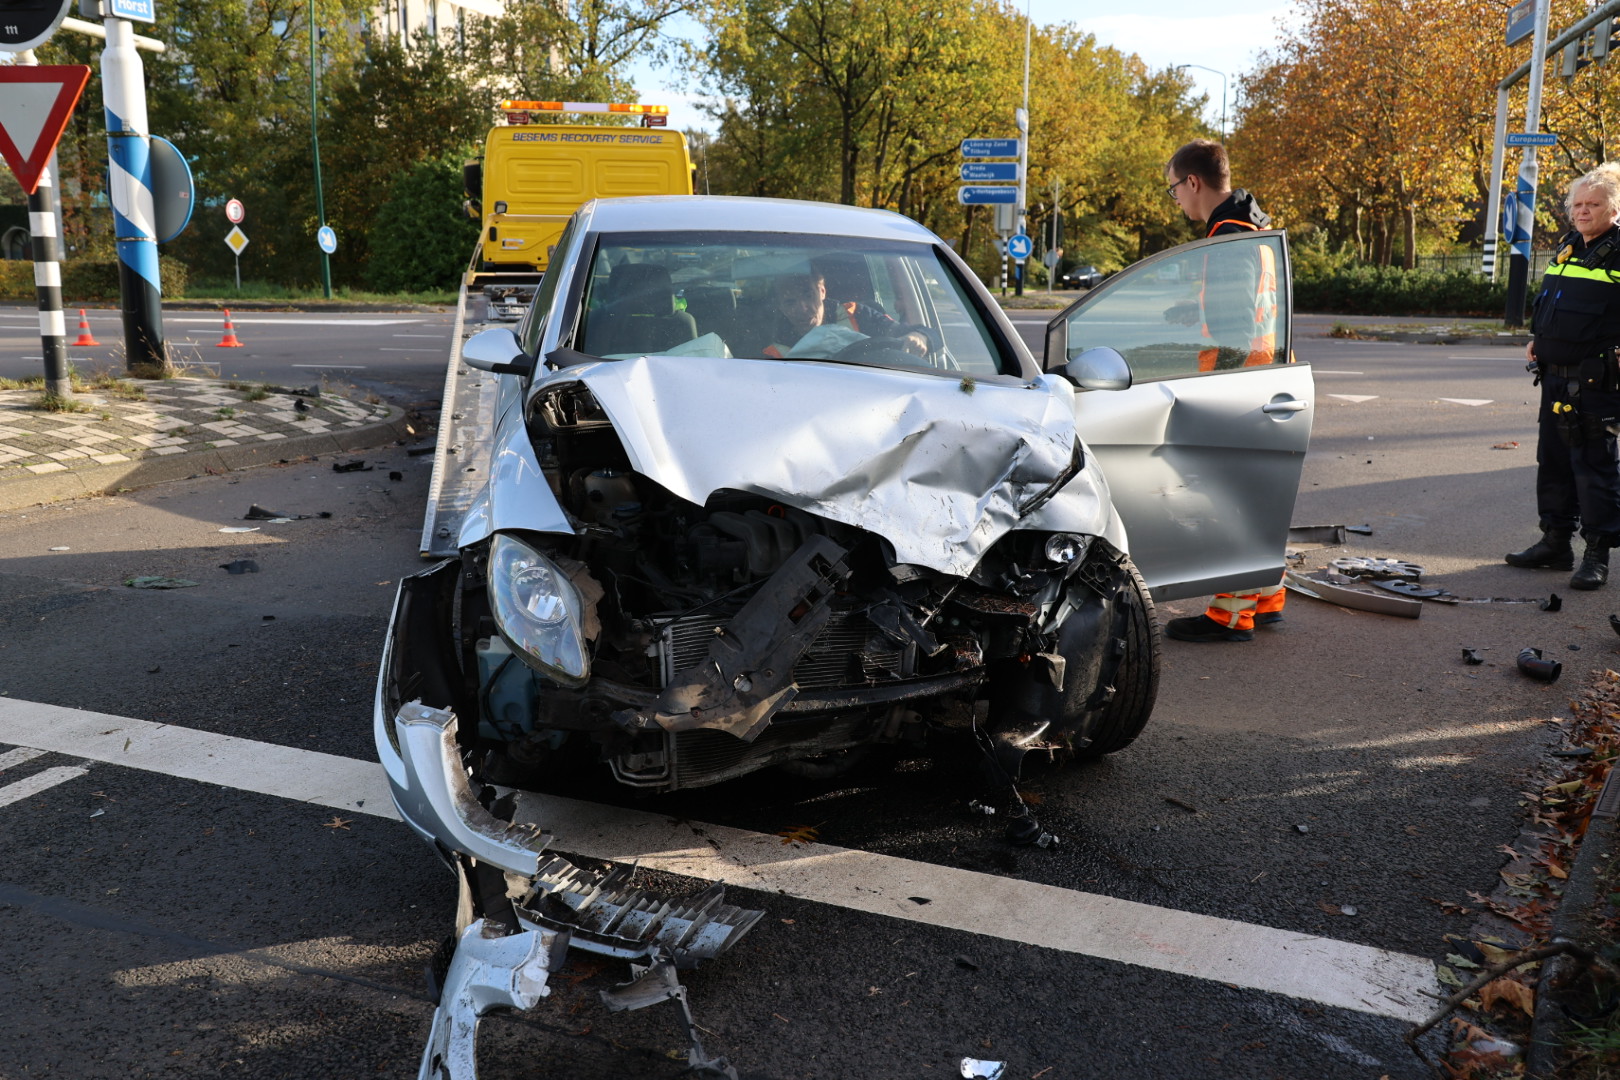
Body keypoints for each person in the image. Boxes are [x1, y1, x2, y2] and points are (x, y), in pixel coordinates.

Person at [1160, 139, 1286, 643]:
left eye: (1174, 190)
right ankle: (1267, 598)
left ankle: (1229, 615)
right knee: (1258, 496)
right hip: (1264, 375)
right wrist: (1196, 313)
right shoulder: (1254, 230)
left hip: (1236, 383)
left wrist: (1218, 391)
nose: (1176, 201)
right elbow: (1251, 310)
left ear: (1194, 182)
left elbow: (1234, 328)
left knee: (1228, 500)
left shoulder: (1227, 239)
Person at [1505, 163, 1620, 590]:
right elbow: (1555, 303)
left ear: (1614, 209)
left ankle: (1596, 556)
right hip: (1553, 377)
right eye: (1578, 204)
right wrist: (1539, 338)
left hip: (1596, 382)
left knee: (1593, 468)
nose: (1582, 211)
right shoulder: (1570, 246)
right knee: (1552, 463)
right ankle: (1555, 544)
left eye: (1593, 204)